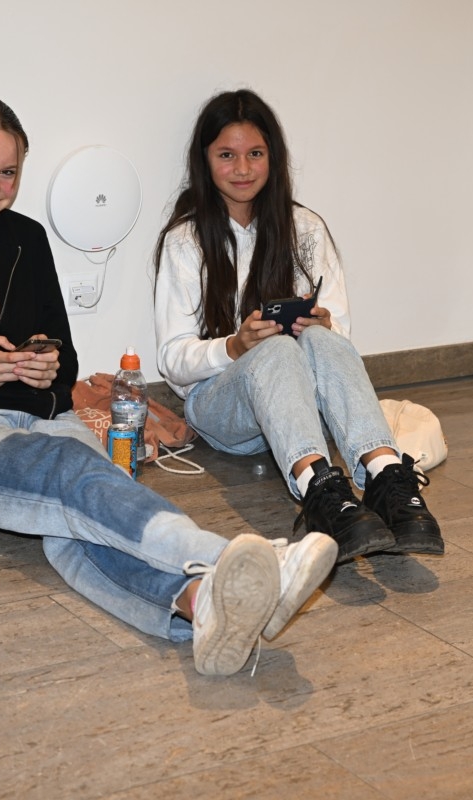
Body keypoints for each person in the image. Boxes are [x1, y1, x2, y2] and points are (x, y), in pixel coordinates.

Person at [0, 93, 337, 677]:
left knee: (90, 512)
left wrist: (47, 367)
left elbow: (64, 358)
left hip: (43, 417)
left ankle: (199, 606)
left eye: (7, 173)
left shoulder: (24, 240)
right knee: (74, 476)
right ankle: (243, 561)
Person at [153, 89, 443, 564]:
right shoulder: (184, 241)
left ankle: (388, 477)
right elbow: (172, 360)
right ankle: (318, 490)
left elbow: (339, 347)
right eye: (226, 155)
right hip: (220, 408)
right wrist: (235, 346)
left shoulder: (305, 228)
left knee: (316, 338)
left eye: (255, 154)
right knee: (275, 348)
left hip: (300, 409)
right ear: (204, 160)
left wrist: (324, 325)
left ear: (274, 158)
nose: (242, 168)